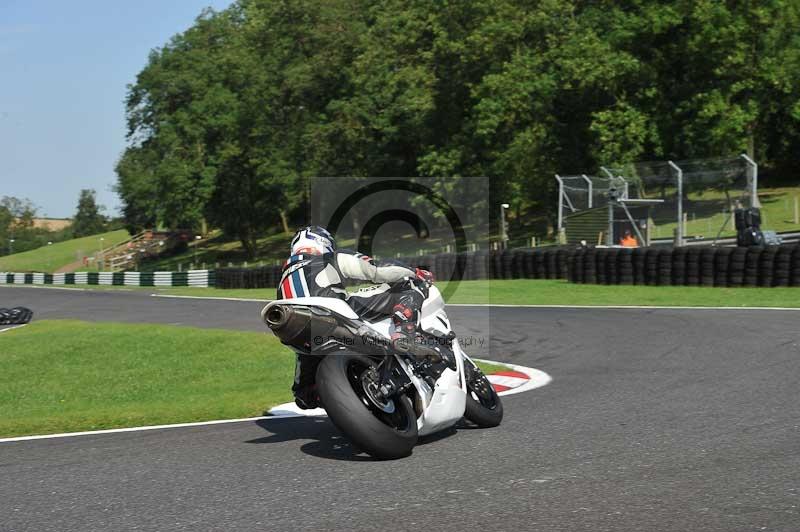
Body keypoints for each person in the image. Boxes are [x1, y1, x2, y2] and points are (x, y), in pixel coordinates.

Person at [278, 226, 434, 409]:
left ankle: (327, 392)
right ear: (323, 242)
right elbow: (376, 270)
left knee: (304, 395)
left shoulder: (282, 278)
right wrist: (415, 272)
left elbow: (303, 402)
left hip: (301, 335)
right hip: (334, 312)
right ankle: (404, 333)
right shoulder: (328, 257)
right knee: (409, 288)